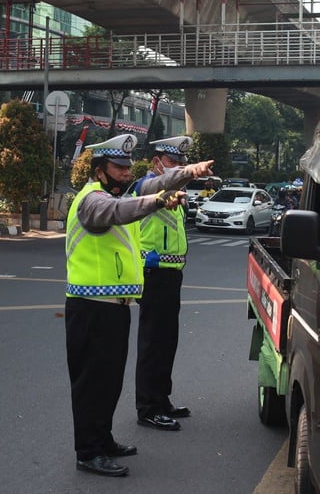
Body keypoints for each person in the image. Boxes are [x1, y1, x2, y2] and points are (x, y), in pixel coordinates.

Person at [64, 134, 213, 478]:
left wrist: (187, 172)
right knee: (92, 383)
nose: (125, 174)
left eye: (128, 168)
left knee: (110, 380)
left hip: (114, 306)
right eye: (118, 168)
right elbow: (118, 212)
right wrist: (159, 202)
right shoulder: (92, 201)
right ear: (99, 170)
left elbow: (154, 185)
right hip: (89, 307)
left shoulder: (119, 192)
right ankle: (88, 451)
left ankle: (102, 439)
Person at [131, 136, 195, 432]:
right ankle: (148, 407)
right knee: (152, 343)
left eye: (182, 164)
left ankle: (161, 398)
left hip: (172, 274)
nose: (178, 169)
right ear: (156, 163)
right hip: (153, 274)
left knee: (167, 340)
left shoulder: (175, 193)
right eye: (173, 163)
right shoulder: (146, 189)